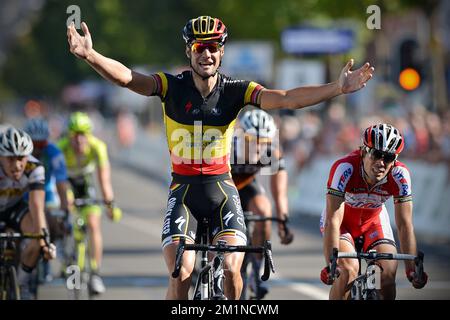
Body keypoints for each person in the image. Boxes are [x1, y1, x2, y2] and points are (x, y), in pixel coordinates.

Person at [66, 15, 374, 300]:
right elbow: (127, 78)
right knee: (181, 271)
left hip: (222, 191)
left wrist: (337, 88)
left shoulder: (234, 91)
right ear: (189, 51)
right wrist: (91, 55)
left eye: (213, 47)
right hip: (183, 193)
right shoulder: (171, 87)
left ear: (221, 52)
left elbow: (287, 99)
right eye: (200, 47)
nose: (206, 54)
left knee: (230, 267)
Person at [320, 123, 428, 299]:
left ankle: (375, 284)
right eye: (376, 154)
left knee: (386, 274)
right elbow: (333, 219)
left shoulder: (399, 175)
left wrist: (411, 270)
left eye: (389, 157)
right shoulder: (345, 168)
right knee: (348, 270)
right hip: (342, 223)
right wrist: (330, 265)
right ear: (363, 151)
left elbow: (404, 225)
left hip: (374, 222)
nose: (381, 163)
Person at [231, 108, 293, 298]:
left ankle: (256, 271)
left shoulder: (272, 153)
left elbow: (279, 193)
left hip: (247, 187)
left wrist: (283, 223)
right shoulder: (227, 148)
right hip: (223, 187)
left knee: (264, 209)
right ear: (241, 136)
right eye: (252, 141)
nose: (258, 147)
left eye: (264, 142)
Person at [57, 111, 116, 294]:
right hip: (66, 182)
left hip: (85, 182)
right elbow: (56, 181)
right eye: (75, 135)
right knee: (65, 213)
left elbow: (104, 180)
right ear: (69, 136)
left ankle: (95, 273)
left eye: (83, 135)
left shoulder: (98, 147)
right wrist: (62, 203)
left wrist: (109, 204)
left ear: (89, 135)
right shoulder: (61, 148)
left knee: (93, 223)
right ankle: (66, 255)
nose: (79, 140)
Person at [0, 127, 56, 299]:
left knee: (37, 238)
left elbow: (36, 206)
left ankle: (21, 285)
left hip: (15, 208)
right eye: (10, 159)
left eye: (21, 158)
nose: (17, 165)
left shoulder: (35, 168)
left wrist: (44, 239)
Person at [24, 117, 70, 283]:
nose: (37, 150)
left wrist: (65, 208)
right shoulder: (20, 154)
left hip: (47, 193)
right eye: (34, 145)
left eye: (41, 145)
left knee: (53, 223)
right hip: (24, 194)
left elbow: (61, 182)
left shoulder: (54, 152)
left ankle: (46, 251)